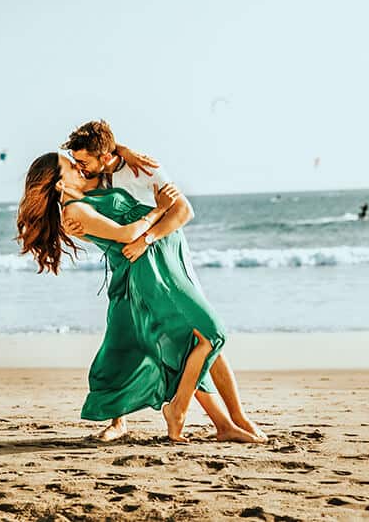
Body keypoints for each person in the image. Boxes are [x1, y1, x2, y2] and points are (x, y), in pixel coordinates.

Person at [17, 148, 265, 443]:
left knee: (188, 345)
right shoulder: (75, 212)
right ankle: (181, 412)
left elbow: (100, 146)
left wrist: (123, 152)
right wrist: (159, 210)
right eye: (69, 165)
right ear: (59, 183)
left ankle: (225, 423)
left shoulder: (88, 193)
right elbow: (126, 235)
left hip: (160, 264)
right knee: (212, 334)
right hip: (150, 273)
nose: (76, 165)